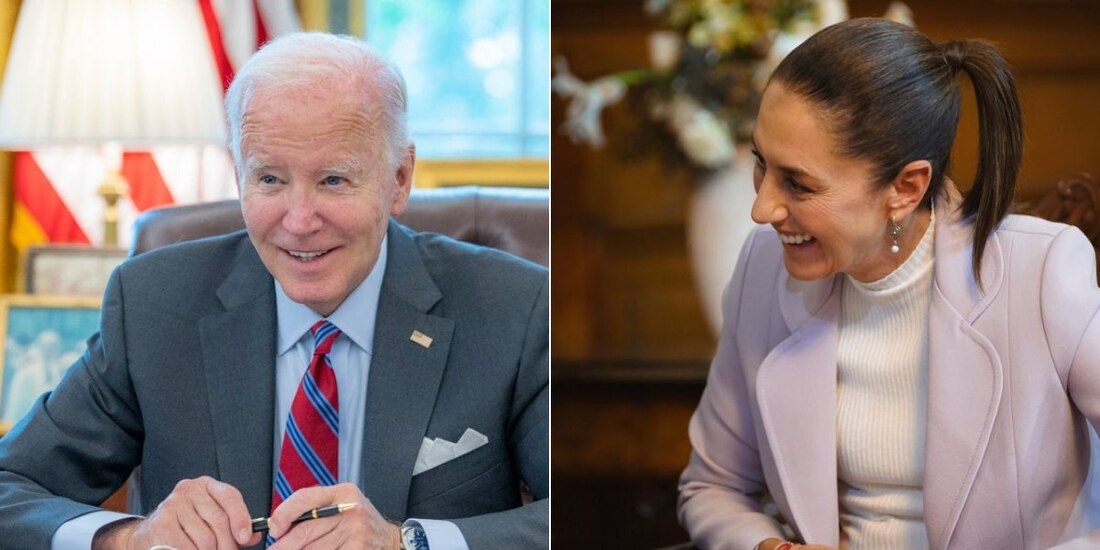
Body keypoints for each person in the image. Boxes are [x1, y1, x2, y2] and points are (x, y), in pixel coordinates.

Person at [0, 32, 548, 550]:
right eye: (270, 180)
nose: (300, 220)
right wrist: (129, 538)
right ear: (238, 174)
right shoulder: (154, 304)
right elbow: (10, 488)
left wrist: (406, 541)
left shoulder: (512, 309)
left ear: (399, 179)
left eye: (334, 179)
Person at [678, 18, 1100, 550]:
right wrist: (768, 548)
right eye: (762, 164)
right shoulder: (763, 267)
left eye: (798, 184)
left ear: (906, 187)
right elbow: (712, 485)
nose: (761, 209)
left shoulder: (1041, 271)